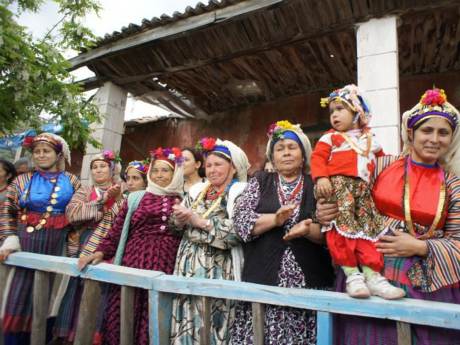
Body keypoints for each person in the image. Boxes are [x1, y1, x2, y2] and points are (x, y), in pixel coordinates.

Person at [317, 88, 460, 344]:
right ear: (410, 132)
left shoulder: (454, 186)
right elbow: (348, 200)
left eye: (443, 132)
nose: (434, 139)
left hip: (424, 285)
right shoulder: (380, 165)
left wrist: (420, 246)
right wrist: (326, 212)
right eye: (427, 130)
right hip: (370, 274)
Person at [230, 121, 334, 345]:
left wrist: (307, 230)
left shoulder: (317, 185)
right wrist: (275, 219)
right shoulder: (260, 181)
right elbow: (240, 221)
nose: (286, 153)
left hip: (309, 287)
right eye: (280, 148)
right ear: (272, 157)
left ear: (303, 154)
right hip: (263, 284)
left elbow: (329, 232)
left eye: (292, 147)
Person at [79, 147, 185, 345]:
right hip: (134, 262)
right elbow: (116, 230)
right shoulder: (137, 198)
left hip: (167, 266)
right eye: (155, 170)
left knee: (155, 314)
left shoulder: (184, 200)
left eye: (165, 170)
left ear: (175, 173)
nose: (159, 175)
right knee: (125, 310)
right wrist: (100, 252)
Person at [311, 84, 405, 299]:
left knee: (368, 234)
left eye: (340, 109)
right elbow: (317, 158)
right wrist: (322, 177)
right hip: (339, 190)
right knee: (341, 233)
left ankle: (374, 278)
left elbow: (387, 165)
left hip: (363, 194)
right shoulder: (330, 138)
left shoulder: (371, 140)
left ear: (357, 112)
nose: (334, 115)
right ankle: (353, 276)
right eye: (332, 111)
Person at [0, 133, 79, 345]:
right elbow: (7, 211)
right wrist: (10, 239)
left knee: (50, 298)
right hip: (25, 243)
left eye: (46, 151)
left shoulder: (71, 181)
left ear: (58, 154)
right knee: (18, 295)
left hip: (57, 246)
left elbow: (79, 215)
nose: (41, 155)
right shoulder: (22, 180)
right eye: (37, 152)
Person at [170, 137, 249, 345]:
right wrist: (179, 221)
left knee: (214, 324)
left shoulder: (240, 192)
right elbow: (177, 227)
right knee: (187, 320)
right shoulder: (197, 191)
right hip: (187, 266)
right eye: (209, 165)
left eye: (218, 165)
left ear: (233, 168)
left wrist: (199, 223)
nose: (212, 170)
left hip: (219, 270)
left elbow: (239, 232)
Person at [53, 150, 124, 342]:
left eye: (102, 166)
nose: (98, 170)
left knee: (101, 290)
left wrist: (113, 201)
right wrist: (101, 201)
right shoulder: (84, 191)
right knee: (77, 287)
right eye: (94, 167)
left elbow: (123, 220)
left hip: (110, 245)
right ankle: (69, 333)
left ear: (112, 170)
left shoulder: (123, 194)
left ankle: (94, 334)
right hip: (85, 243)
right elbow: (73, 214)